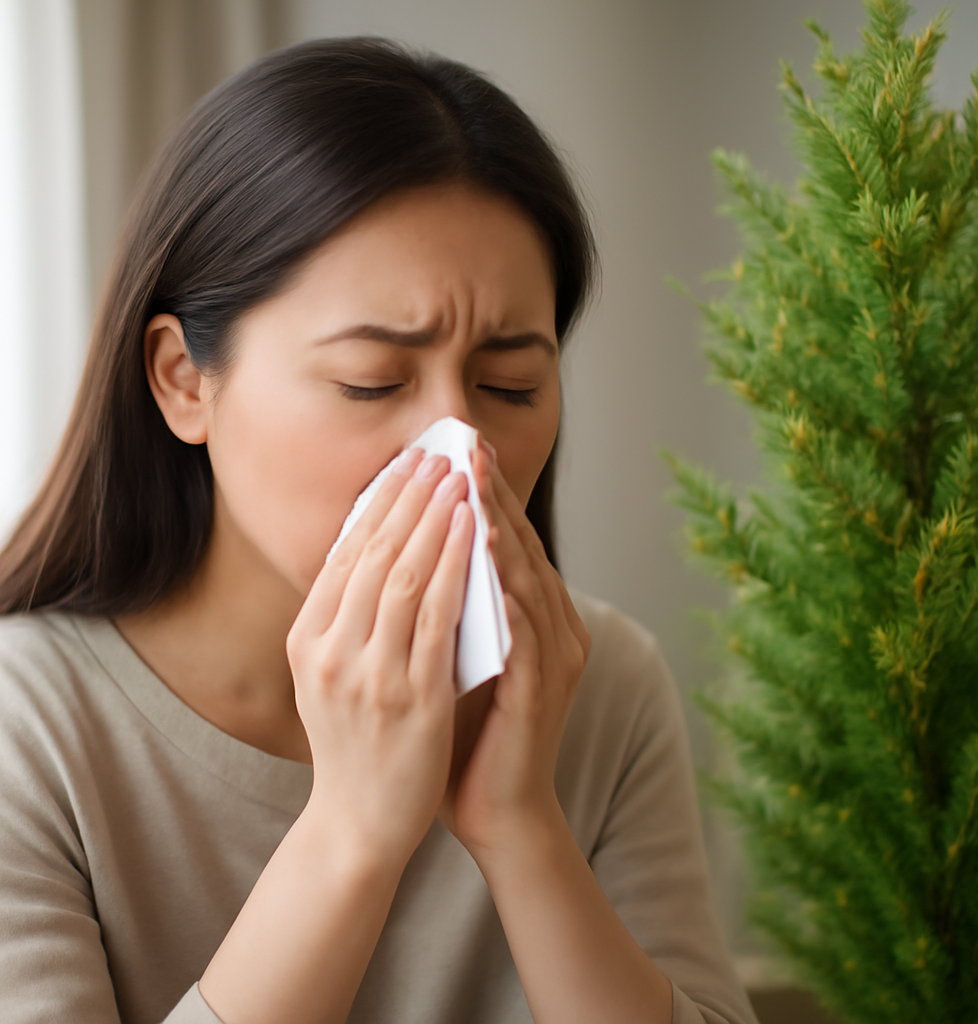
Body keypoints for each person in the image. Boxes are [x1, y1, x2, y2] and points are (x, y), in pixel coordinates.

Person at [0, 38, 756, 1024]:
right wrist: (351, 832)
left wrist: (523, 827)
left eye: (509, 386)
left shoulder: (600, 687)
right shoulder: (30, 727)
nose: (461, 449)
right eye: (371, 382)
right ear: (184, 380)